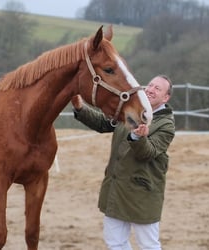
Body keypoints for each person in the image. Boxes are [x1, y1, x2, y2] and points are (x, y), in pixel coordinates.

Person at [71, 75, 175, 250]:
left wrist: (138, 137)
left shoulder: (166, 125)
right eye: (150, 85)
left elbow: (148, 153)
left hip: (142, 195)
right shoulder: (130, 109)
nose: (150, 89)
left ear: (166, 98)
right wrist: (80, 108)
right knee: (115, 243)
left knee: (149, 245)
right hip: (116, 190)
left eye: (157, 88)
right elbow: (104, 124)